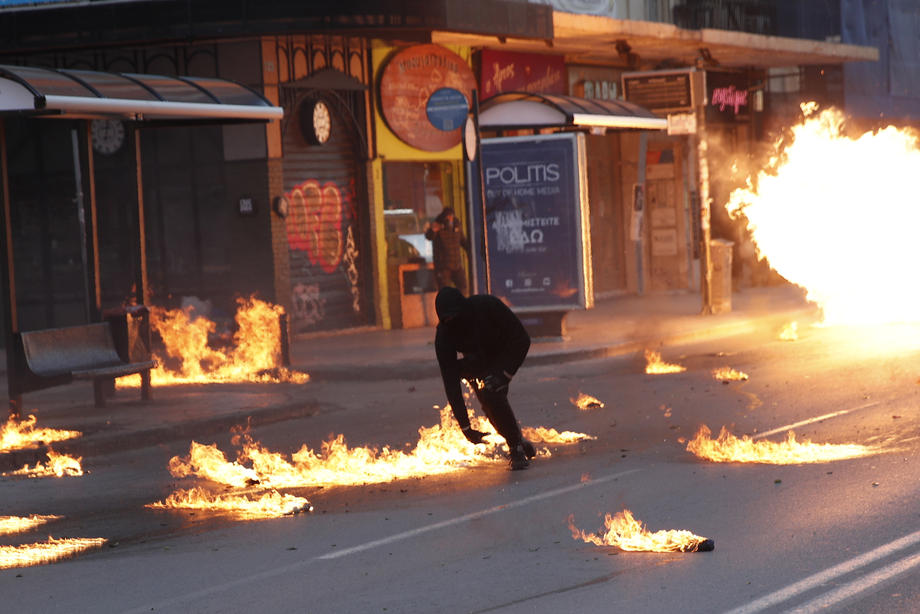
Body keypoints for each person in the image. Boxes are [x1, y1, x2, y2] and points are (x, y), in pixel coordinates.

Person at [434, 286, 536, 470]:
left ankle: (516, 448)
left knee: (492, 393)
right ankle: (517, 439)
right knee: (490, 407)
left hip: (503, 353)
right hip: (477, 361)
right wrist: (466, 428)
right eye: (447, 319)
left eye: (455, 316)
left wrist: (504, 374)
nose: (452, 322)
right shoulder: (444, 335)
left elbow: (522, 339)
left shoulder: (487, 306)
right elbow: (451, 382)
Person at [425, 207, 469, 295]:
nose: (450, 219)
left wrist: (472, 251)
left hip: (456, 264)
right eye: (448, 217)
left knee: (463, 287)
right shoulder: (438, 225)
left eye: (451, 217)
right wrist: (433, 230)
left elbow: (463, 241)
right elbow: (429, 236)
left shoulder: (457, 225)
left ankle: (461, 303)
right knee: (445, 292)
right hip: (443, 267)